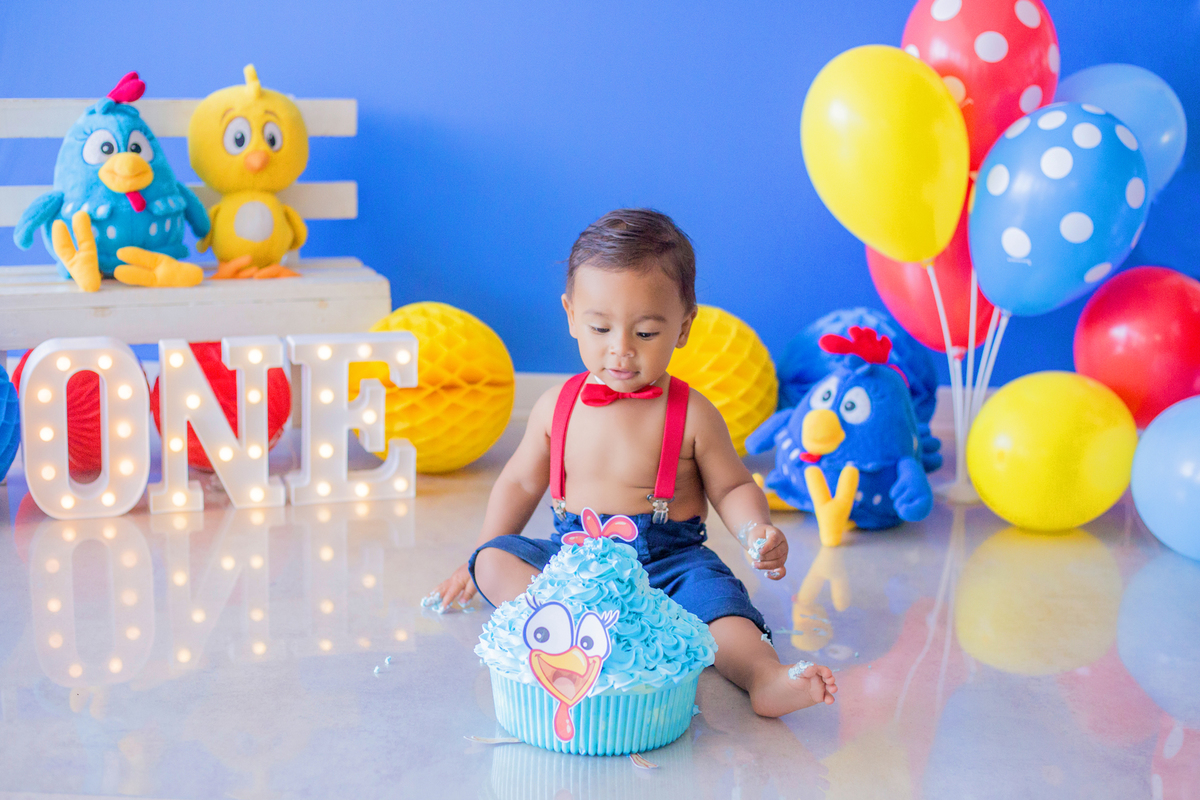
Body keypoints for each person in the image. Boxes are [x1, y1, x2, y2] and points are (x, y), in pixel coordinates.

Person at [434, 208, 836, 717]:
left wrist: (756, 530)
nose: (620, 350)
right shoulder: (555, 406)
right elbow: (517, 482)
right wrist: (479, 550)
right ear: (571, 316)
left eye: (645, 333)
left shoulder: (692, 413)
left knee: (724, 613)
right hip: (573, 565)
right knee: (494, 562)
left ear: (684, 326)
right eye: (600, 328)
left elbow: (732, 487)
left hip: (668, 565)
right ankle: (581, 633)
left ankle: (764, 676)